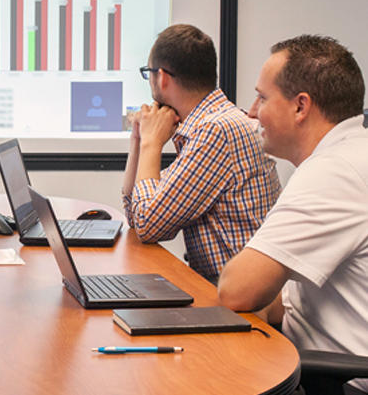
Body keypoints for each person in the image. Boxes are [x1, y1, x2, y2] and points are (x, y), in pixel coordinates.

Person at [218, 35, 368, 393]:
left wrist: (257, 296)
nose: (252, 112)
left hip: (337, 383)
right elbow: (277, 300)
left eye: (263, 97)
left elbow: (236, 291)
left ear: (301, 107)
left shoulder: (334, 171)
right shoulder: (350, 154)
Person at [122, 24, 281, 283]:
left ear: (161, 77)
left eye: (147, 73)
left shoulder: (216, 131)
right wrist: (138, 138)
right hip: (222, 293)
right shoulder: (207, 126)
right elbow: (135, 212)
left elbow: (148, 225)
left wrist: (152, 143)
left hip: (240, 305)